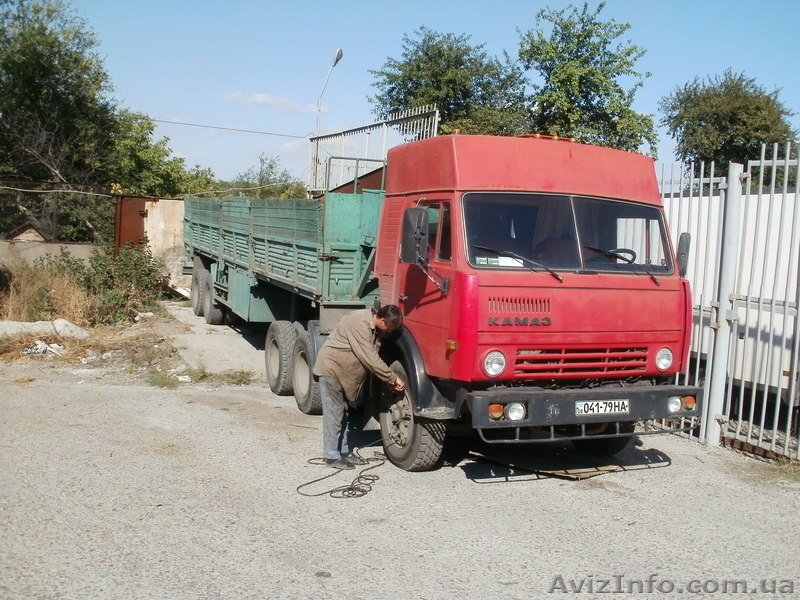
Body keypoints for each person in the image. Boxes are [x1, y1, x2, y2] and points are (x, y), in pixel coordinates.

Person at [313, 305, 406, 469]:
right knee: (334, 414)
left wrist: (386, 381)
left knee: (342, 414)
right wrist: (392, 377)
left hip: (343, 374)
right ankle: (331, 456)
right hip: (332, 370)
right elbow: (369, 357)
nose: (390, 331)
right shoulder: (357, 322)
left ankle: (343, 452)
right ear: (382, 320)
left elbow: (372, 359)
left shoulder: (375, 328)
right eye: (389, 328)